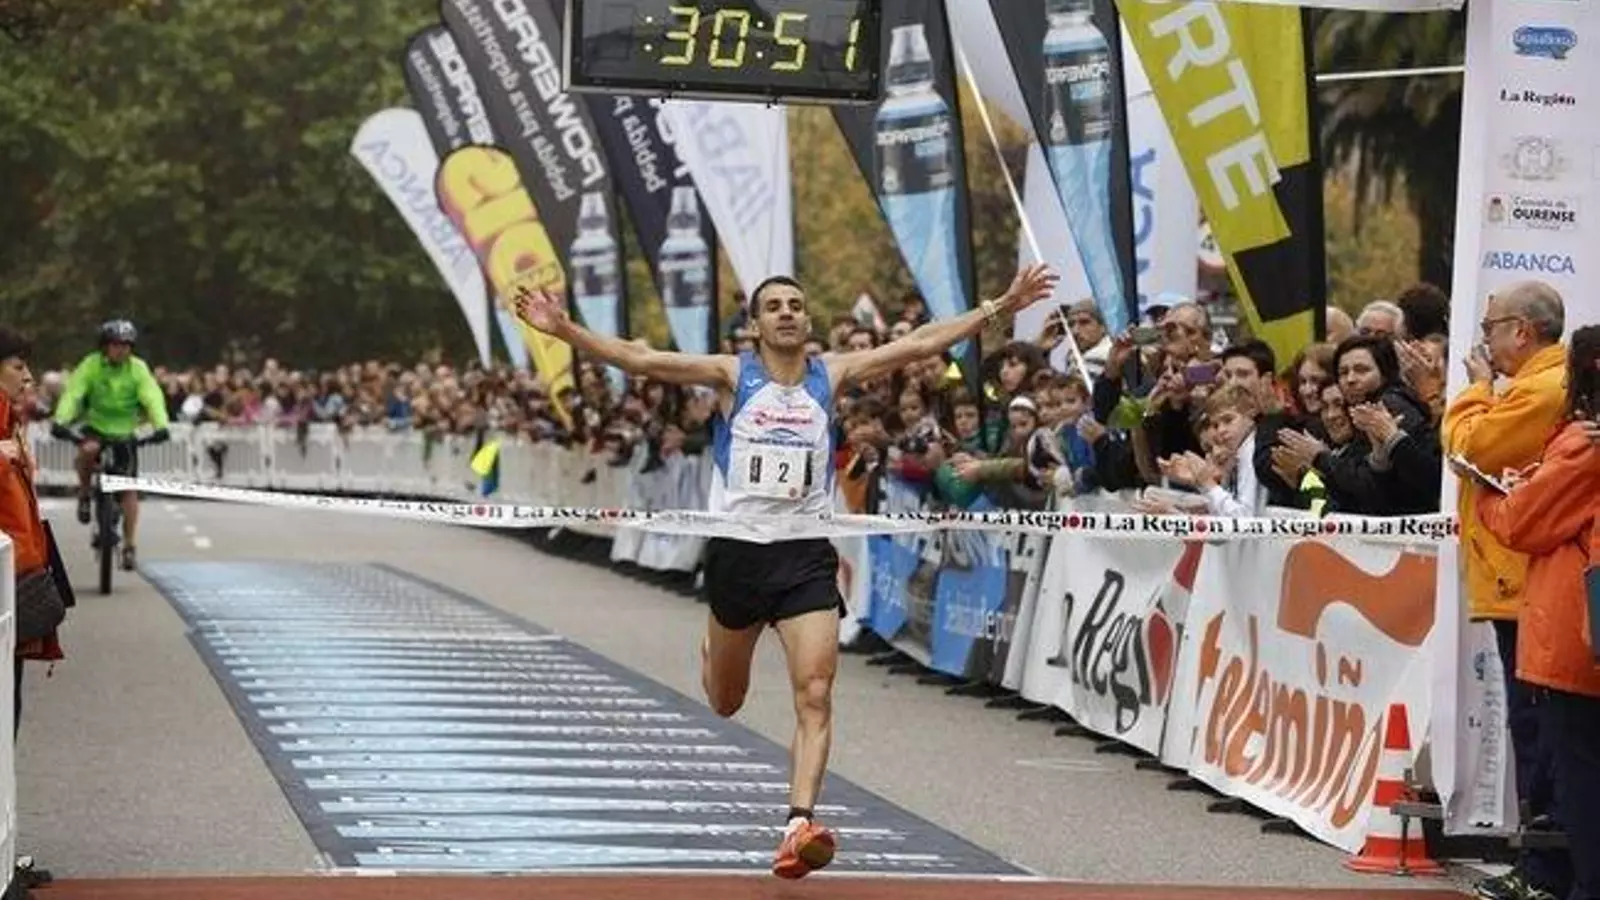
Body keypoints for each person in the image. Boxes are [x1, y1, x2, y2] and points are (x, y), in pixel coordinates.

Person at [514, 263, 1059, 880]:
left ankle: (799, 824)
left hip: (804, 555)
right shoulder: (731, 375)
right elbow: (642, 360)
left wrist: (1001, 305)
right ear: (755, 324)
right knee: (726, 701)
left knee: (816, 691)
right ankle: (715, 650)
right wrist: (565, 331)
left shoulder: (833, 373)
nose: (787, 314)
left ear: (808, 319)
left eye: (795, 305)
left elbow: (919, 343)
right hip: (739, 555)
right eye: (773, 307)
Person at [1441, 281, 1570, 900]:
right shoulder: (1532, 387)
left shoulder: (1540, 390)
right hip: (1515, 581)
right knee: (1537, 731)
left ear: (1523, 330)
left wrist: (1474, 390)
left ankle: (1549, 872)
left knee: (1541, 732)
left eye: (1490, 327)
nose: (1485, 341)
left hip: (1526, 585)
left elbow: (1469, 445)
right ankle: (1546, 866)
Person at [1477, 323, 1600, 900]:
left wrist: (1488, 493)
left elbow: (1521, 521)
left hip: (1575, 633)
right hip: (1578, 627)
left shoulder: (1584, 446)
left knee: (1579, 773)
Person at [51, 319, 170, 570]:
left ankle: (129, 545)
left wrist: (161, 425)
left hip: (125, 431)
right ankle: (85, 493)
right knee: (88, 450)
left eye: (126, 345)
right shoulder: (91, 365)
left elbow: (152, 396)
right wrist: (61, 419)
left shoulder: (138, 368)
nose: (121, 350)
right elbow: (74, 394)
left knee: (129, 489)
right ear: (105, 346)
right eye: (116, 345)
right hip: (96, 425)